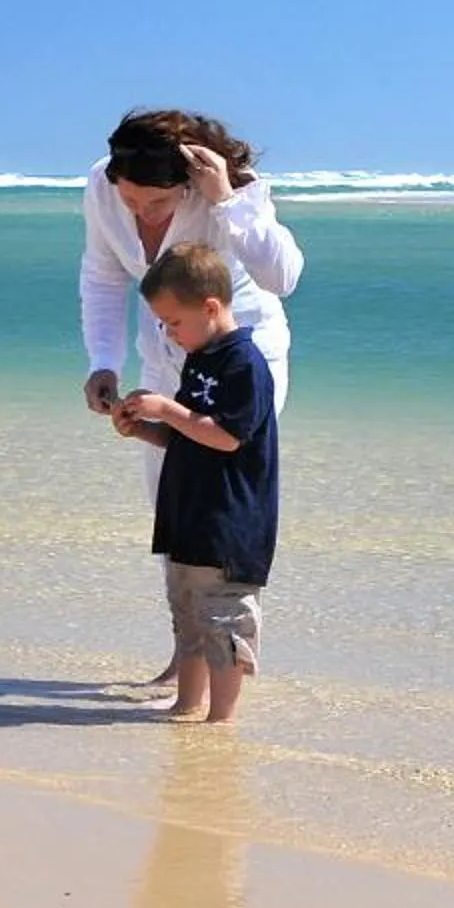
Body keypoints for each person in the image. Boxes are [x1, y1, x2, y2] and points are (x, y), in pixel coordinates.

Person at [78, 108, 303, 680]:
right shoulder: (104, 186)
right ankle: (188, 657)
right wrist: (103, 362)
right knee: (174, 506)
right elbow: (103, 275)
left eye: (156, 204)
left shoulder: (228, 190)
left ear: (185, 182)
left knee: (221, 509)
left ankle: (228, 660)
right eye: (131, 202)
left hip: (238, 359)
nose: (141, 214)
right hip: (167, 353)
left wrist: (226, 199)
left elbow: (284, 276)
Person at [111, 243, 278, 724]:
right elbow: (189, 436)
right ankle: (187, 704)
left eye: (174, 322)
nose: (167, 333)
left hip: (229, 524)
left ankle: (219, 719)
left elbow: (226, 438)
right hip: (189, 519)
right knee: (187, 616)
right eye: (162, 323)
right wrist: (144, 427)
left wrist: (169, 408)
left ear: (210, 307)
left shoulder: (244, 363)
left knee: (223, 620)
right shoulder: (201, 357)